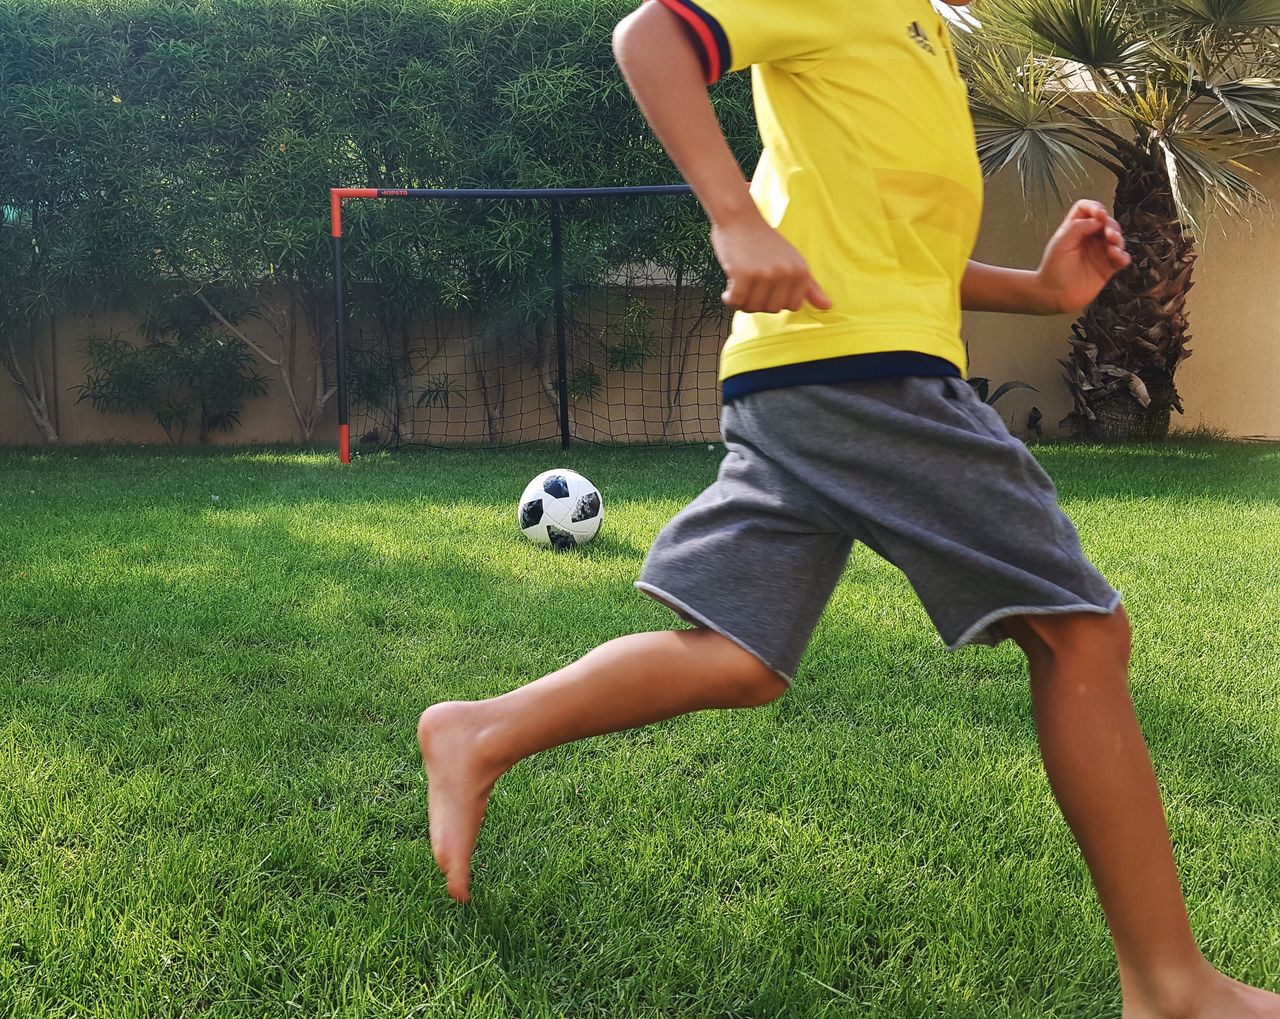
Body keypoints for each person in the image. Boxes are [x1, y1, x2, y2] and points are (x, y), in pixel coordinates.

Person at [418, 0, 1280, 1014]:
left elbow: (886, 256)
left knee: (738, 657)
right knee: (1081, 633)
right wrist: (733, 218)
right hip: (860, 376)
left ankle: (479, 729)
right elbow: (649, 37)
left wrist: (1041, 293)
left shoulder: (917, 33)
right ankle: (1170, 985)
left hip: (810, 376)